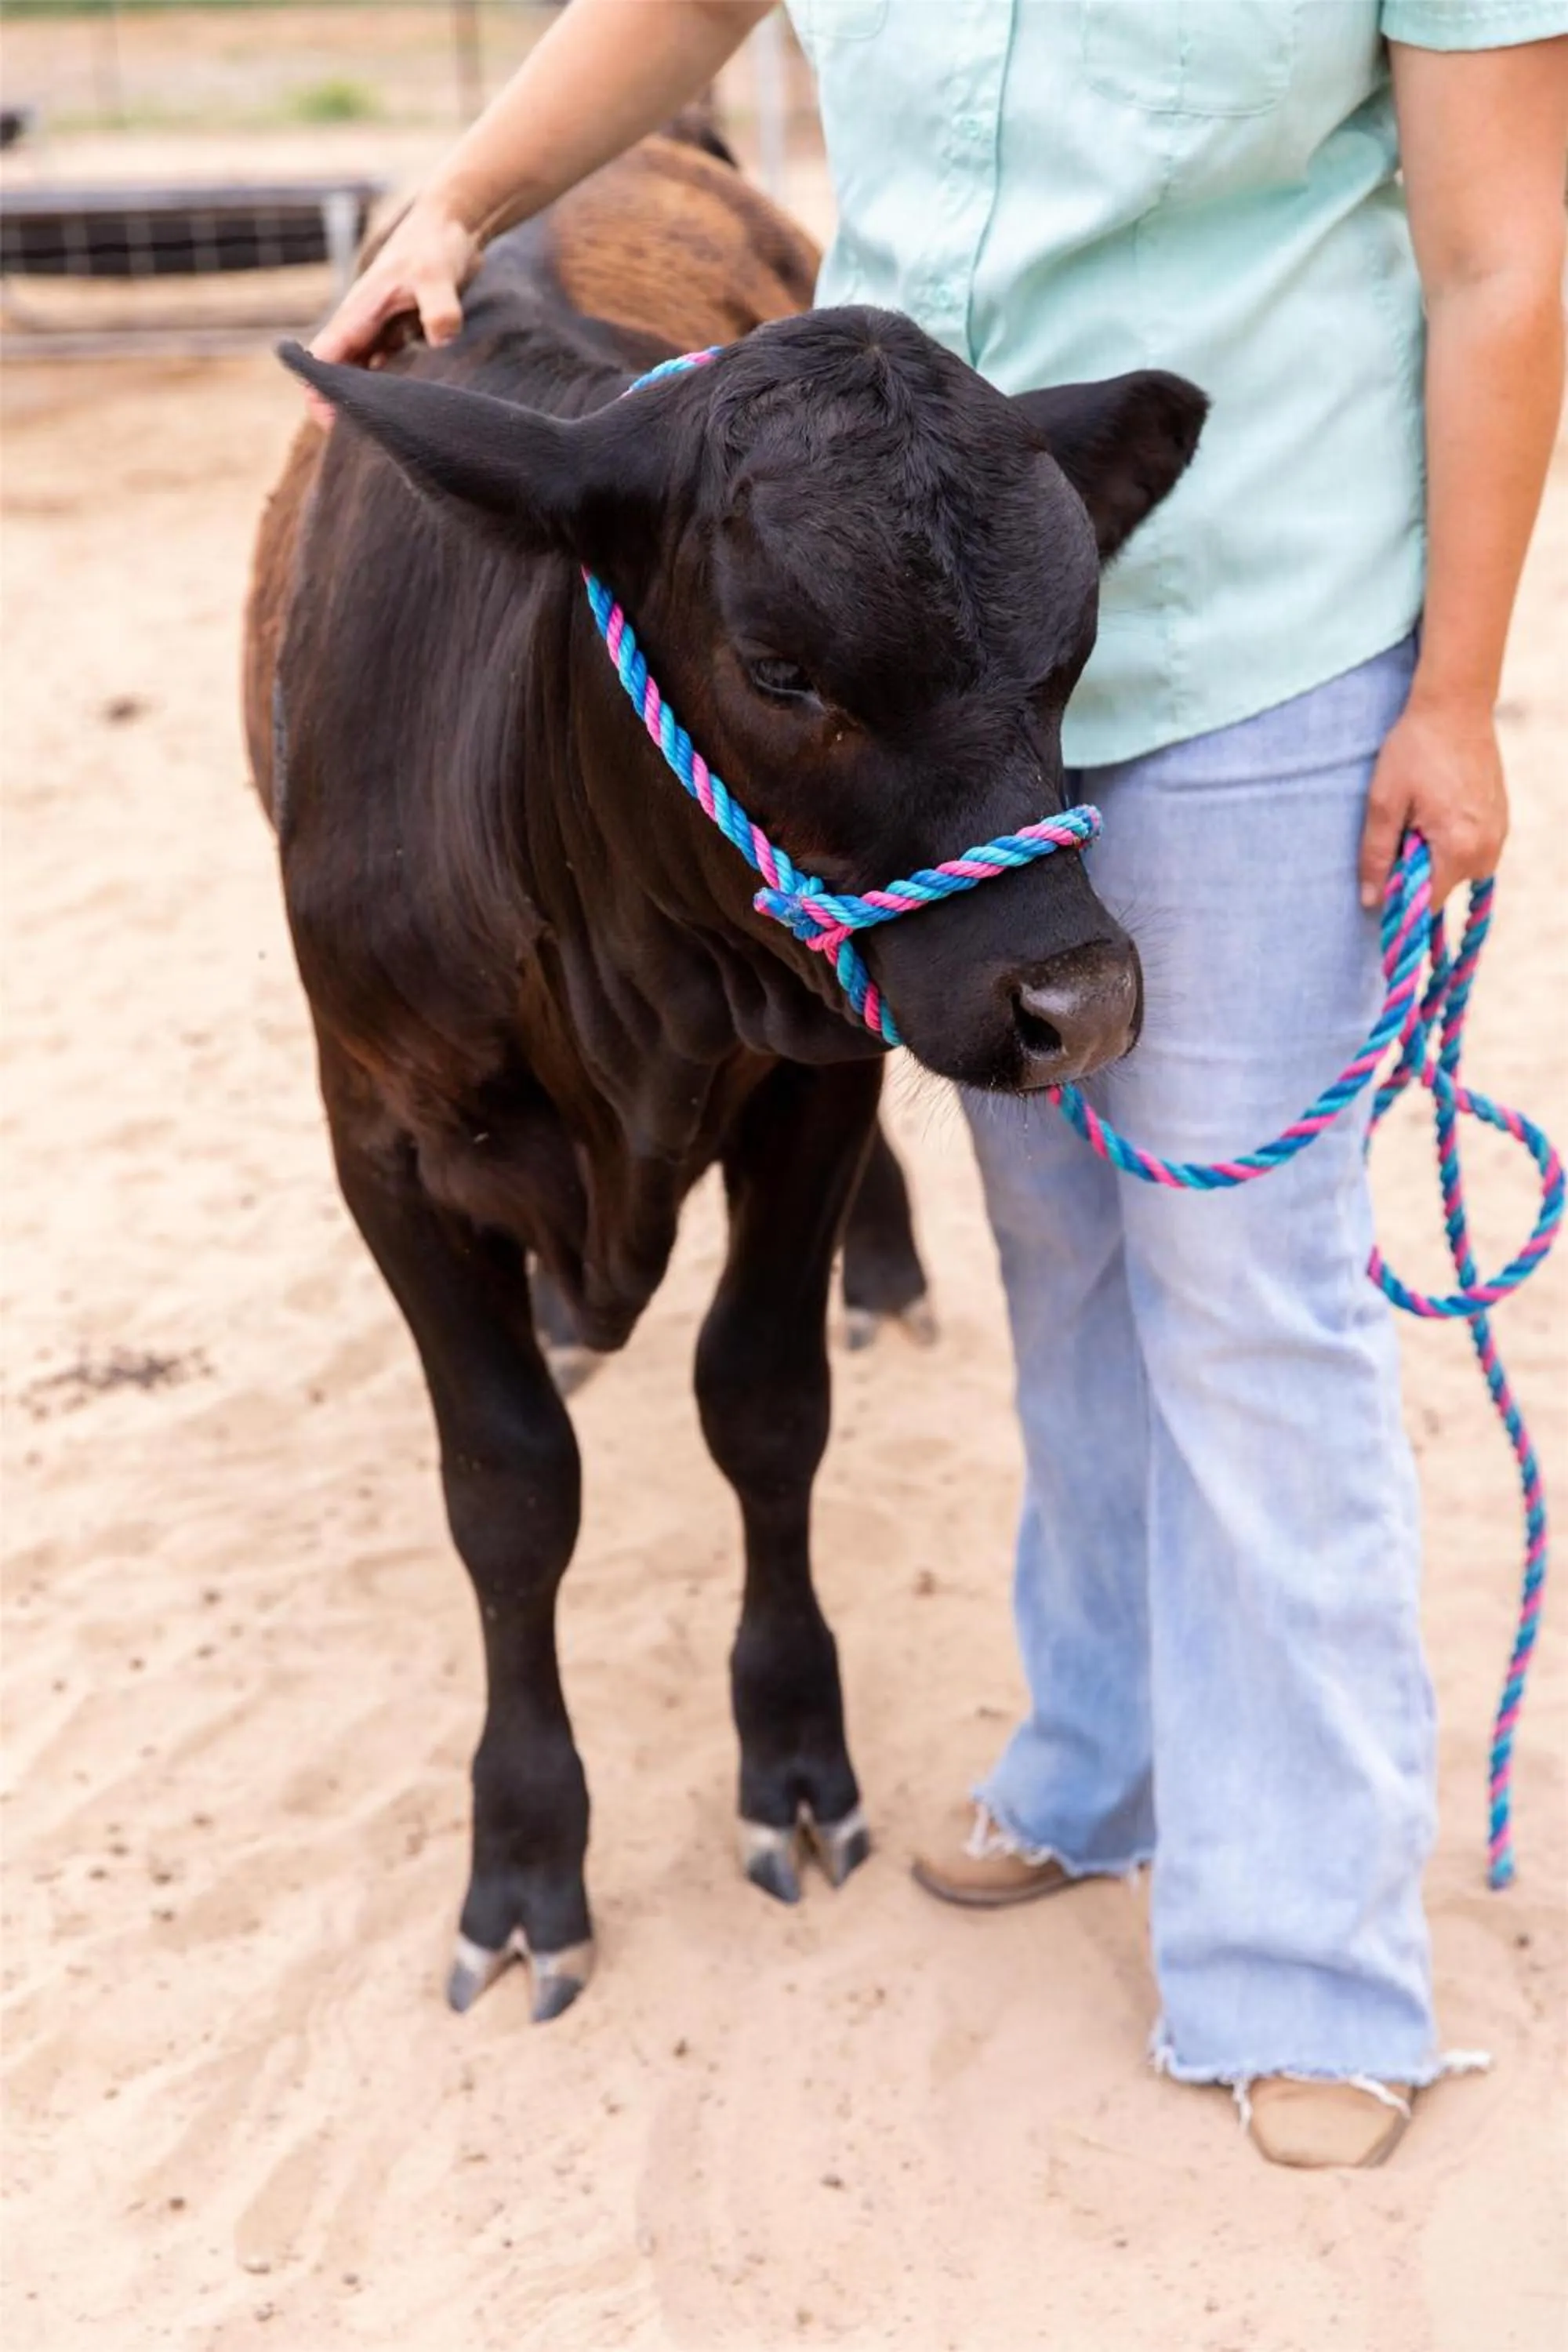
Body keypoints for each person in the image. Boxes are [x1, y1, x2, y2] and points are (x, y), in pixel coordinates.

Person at [310, 1, 1568, 2166]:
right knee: (1062, 1261)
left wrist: (1454, 693)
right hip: (892, 659)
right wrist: (464, 198)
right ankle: (1102, 1762)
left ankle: (1309, 1963)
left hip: (1248, 627)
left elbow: (1500, 255)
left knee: (1248, 1299)